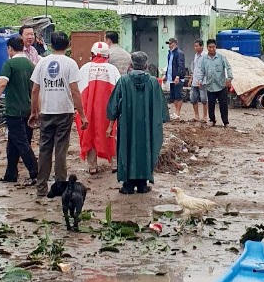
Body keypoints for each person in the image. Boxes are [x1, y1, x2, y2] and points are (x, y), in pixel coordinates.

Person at [29, 32, 88, 197]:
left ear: (52, 45)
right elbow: (75, 91)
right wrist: (82, 115)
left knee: (44, 150)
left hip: (46, 112)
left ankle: (41, 188)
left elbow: (35, 90)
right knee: (61, 150)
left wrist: (34, 111)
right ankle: (60, 187)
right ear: (68, 45)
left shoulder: (42, 63)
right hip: (65, 112)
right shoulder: (70, 63)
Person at [107, 51, 169, 194]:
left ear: (131, 65)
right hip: (148, 126)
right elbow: (161, 107)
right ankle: (142, 184)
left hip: (127, 124)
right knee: (146, 149)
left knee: (126, 149)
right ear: (146, 65)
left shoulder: (123, 81)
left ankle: (128, 185)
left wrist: (110, 124)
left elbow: (114, 105)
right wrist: (159, 122)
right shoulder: (153, 82)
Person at [0, 36, 38, 184]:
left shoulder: (9, 64)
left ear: (10, 48)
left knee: (22, 143)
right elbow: (35, 89)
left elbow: (2, 83)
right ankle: (11, 174)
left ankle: (36, 171)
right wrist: (36, 110)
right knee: (14, 143)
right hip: (28, 110)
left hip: (14, 111)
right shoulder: (30, 65)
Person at [77, 42, 120, 174]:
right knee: (111, 132)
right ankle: (115, 164)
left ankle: (92, 166)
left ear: (92, 54)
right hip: (108, 112)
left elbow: (77, 90)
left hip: (88, 111)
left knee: (89, 134)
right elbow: (119, 92)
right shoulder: (112, 69)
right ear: (108, 55)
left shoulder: (84, 68)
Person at [203, 39, 232, 127]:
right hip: (210, 85)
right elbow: (201, 70)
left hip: (221, 85)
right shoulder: (204, 59)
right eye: (210, 47)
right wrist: (199, 80)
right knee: (211, 104)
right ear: (207, 48)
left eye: (213, 47)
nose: (211, 49)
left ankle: (225, 122)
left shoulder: (221, 57)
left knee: (223, 105)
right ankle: (212, 120)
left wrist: (229, 78)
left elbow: (228, 68)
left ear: (216, 47)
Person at [165, 38, 186, 120]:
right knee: (173, 96)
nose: (169, 45)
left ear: (175, 43)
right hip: (171, 78)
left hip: (178, 78)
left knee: (178, 96)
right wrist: (166, 75)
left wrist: (178, 76)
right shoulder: (170, 53)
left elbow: (181, 65)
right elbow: (169, 65)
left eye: (171, 43)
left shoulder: (179, 53)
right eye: (169, 44)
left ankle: (178, 113)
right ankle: (176, 112)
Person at [189, 39, 208, 123]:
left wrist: (201, 80)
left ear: (201, 46)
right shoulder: (196, 55)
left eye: (197, 46)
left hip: (203, 81)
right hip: (195, 81)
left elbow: (206, 69)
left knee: (204, 99)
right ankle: (196, 116)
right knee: (193, 99)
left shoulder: (205, 56)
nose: (195, 48)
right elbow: (195, 68)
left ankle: (205, 117)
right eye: (195, 46)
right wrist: (191, 78)